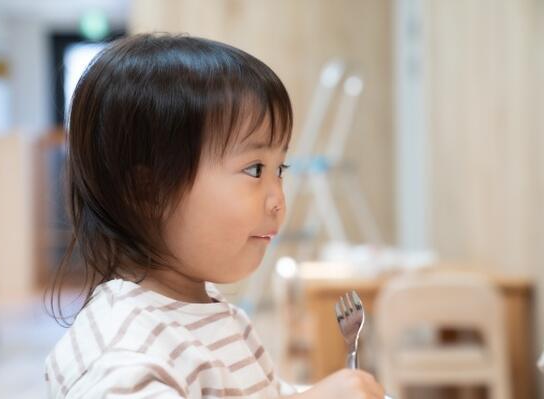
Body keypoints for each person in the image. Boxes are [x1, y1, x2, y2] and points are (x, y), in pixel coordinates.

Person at [45, 33, 385, 398]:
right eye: (255, 169)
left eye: (280, 169)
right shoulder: (125, 347)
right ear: (150, 192)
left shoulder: (217, 315)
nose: (278, 200)